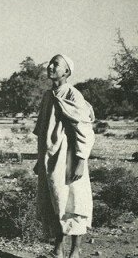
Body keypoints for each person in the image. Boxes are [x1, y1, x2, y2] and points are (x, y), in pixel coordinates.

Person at [33, 54, 95, 258]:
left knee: (75, 202)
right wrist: (39, 159)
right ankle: (57, 250)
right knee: (56, 201)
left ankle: (75, 251)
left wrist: (80, 161)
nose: (50, 66)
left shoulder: (73, 95)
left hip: (70, 158)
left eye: (56, 64)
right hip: (51, 159)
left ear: (67, 71)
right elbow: (42, 131)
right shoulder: (47, 96)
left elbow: (84, 131)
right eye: (50, 63)